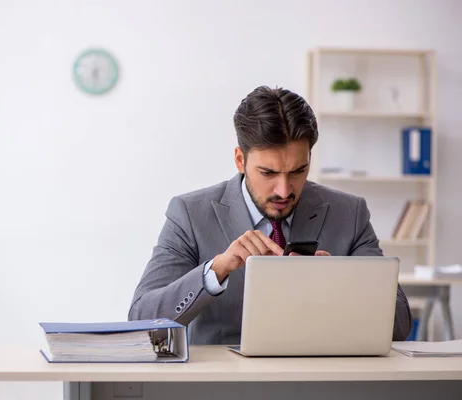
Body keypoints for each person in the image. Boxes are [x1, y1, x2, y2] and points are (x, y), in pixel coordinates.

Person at [128, 85, 412, 343]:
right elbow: (142, 322)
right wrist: (216, 270)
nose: (284, 189)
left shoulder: (349, 214)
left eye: (298, 171)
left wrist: (337, 284)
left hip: (320, 383)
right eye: (268, 173)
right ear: (241, 160)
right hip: (224, 386)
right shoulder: (190, 214)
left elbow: (399, 324)